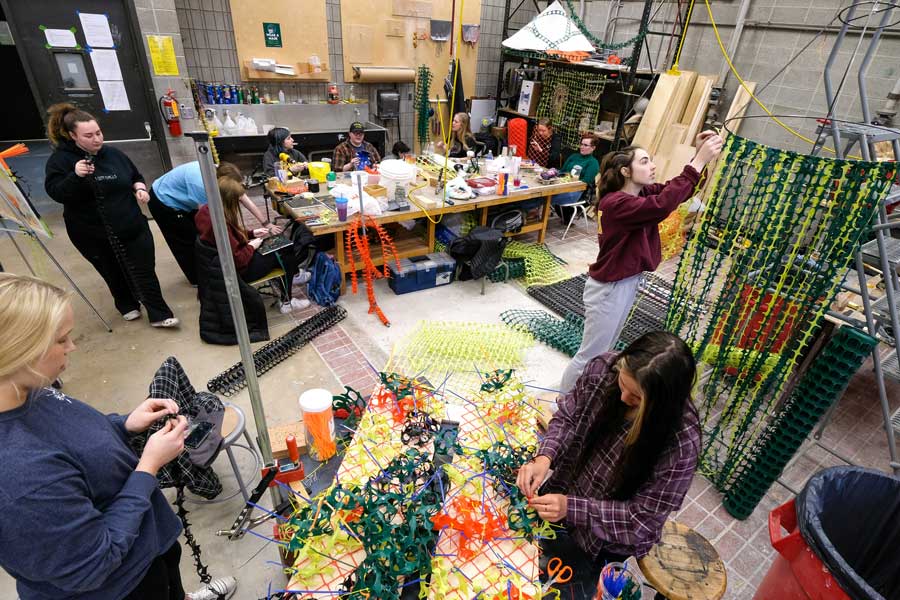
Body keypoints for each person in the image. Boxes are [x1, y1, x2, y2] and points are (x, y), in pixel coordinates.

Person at [0, 273, 237, 600]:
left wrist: (124, 424)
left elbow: (73, 440)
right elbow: (94, 563)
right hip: (122, 587)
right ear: (19, 350)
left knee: (171, 583)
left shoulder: (27, 390)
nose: (73, 346)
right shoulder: (18, 478)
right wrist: (149, 466)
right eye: (61, 339)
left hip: (147, 547)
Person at [518, 331, 701, 599]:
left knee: (567, 588)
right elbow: (569, 416)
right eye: (622, 382)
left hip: (602, 542)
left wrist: (571, 507)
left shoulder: (681, 443)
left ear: (662, 405)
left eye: (636, 398)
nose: (623, 396)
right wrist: (545, 457)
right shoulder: (604, 368)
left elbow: (641, 519)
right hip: (562, 494)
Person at [558, 131, 724, 394]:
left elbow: (675, 192)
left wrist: (698, 157)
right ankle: (562, 402)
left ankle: (588, 394)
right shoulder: (616, 203)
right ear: (625, 170)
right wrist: (698, 162)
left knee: (607, 351)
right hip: (609, 289)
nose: (653, 166)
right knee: (590, 355)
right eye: (644, 161)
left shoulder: (641, 193)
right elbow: (663, 205)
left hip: (623, 283)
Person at [44, 103, 179, 328]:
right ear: (72, 136)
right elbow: (57, 192)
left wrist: (140, 188)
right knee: (111, 269)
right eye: (88, 135)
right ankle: (126, 303)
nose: (96, 139)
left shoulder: (113, 154)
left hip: (131, 224)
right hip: (92, 232)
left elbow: (135, 175)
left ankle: (159, 313)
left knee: (144, 268)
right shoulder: (61, 161)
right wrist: (75, 176)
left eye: (98, 133)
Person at [148, 161, 282, 285]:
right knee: (187, 241)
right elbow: (208, 222)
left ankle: (210, 271)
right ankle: (199, 281)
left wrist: (265, 224)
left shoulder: (221, 172)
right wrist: (249, 246)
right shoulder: (202, 186)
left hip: (181, 194)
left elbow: (245, 199)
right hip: (163, 200)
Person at [195, 177, 311, 314]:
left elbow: (231, 236)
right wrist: (252, 246)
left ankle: (291, 277)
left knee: (283, 245)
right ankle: (287, 301)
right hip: (240, 272)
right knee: (285, 251)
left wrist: (251, 233)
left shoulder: (206, 211)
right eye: (237, 200)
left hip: (225, 266)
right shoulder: (220, 223)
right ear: (229, 200)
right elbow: (239, 259)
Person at [550, 133, 602, 220]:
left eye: (585, 145)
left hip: (576, 192)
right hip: (562, 186)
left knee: (547, 197)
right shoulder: (574, 156)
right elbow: (562, 171)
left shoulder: (593, 163)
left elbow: (585, 182)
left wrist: (566, 181)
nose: (582, 147)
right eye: (581, 144)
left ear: (593, 148)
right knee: (544, 193)